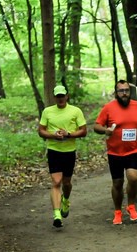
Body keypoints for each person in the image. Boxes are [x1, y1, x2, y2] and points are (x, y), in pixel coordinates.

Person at [93, 80, 137, 225]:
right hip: (115, 152)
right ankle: (117, 211)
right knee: (117, 183)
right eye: (121, 91)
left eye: (126, 90)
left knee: (133, 178)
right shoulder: (108, 108)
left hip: (132, 150)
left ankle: (131, 206)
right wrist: (106, 130)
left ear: (130, 92)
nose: (124, 93)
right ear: (116, 93)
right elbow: (96, 126)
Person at [38, 84, 88, 228]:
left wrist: (69, 134)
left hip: (69, 151)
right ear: (54, 97)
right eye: (58, 96)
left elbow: (84, 131)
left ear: (67, 96)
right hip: (54, 150)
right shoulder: (47, 111)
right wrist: (53, 135)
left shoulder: (75, 111)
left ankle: (65, 199)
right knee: (56, 182)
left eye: (62, 96)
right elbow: (41, 131)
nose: (60, 99)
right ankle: (57, 214)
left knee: (66, 183)